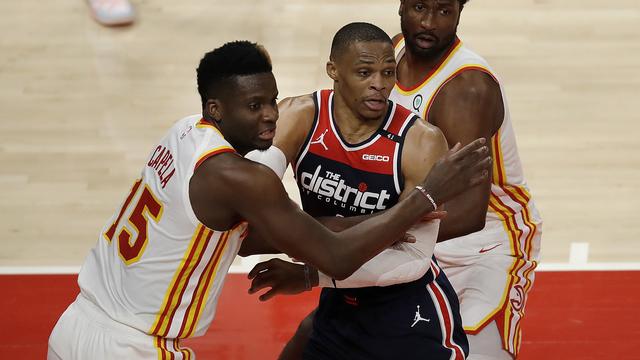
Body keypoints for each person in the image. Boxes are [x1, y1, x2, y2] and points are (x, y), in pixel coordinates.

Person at [46, 40, 490, 359]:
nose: (272, 115)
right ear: (217, 108)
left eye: (273, 101)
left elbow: (289, 232)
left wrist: (337, 233)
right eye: (254, 105)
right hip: (135, 345)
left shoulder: (183, 133)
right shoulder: (241, 179)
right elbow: (334, 256)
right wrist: (427, 194)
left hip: (75, 324)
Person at [242, 23, 481, 360]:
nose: (379, 85)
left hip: (409, 315)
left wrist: (312, 273)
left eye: (388, 72)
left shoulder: (421, 141)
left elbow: (410, 260)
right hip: (340, 307)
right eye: (365, 72)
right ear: (333, 71)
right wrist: (380, 224)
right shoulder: (298, 116)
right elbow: (249, 227)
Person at [390, 1, 543, 358]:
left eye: (443, 11)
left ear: (461, 10)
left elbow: (467, 213)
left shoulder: (467, 90)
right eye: (419, 7)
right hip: (417, 230)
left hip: (485, 243)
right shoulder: (392, 53)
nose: (428, 22)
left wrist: (369, 236)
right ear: (400, 4)